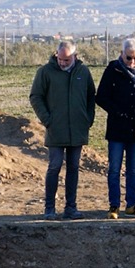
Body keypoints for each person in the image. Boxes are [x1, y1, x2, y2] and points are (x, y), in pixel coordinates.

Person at [30, 40, 97, 220]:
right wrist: (47, 119)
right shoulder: (45, 72)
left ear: (75, 56)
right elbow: (36, 96)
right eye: (60, 59)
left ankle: (71, 207)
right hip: (56, 129)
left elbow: (91, 96)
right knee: (55, 166)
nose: (62, 63)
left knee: (74, 167)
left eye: (66, 60)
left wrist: (87, 119)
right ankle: (49, 208)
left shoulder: (83, 72)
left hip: (77, 129)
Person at [96, 38, 135, 219]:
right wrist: (117, 112)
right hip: (116, 128)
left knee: (133, 170)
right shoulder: (112, 71)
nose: (132, 62)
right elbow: (101, 97)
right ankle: (114, 206)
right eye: (129, 58)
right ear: (122, 54)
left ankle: (132, 204)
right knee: (114, 169)